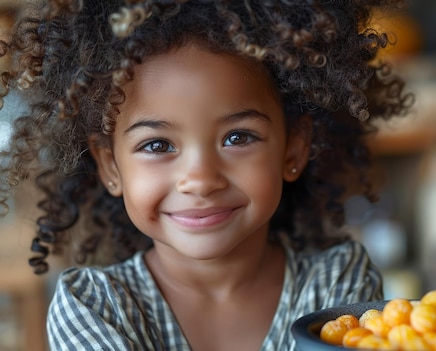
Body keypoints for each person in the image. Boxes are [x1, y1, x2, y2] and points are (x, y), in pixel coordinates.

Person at [0, 0, 412, 350]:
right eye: (158, 145)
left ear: (293, 149)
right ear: (111, 166)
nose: (199, 179)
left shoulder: (338, 286)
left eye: (237, 137)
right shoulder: (92, 307)